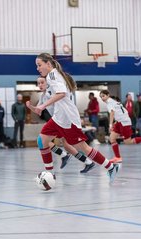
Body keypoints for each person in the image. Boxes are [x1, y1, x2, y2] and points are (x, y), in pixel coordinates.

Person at [33, 53, 120, 182]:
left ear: (48, 64)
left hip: (68, 119)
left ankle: (110, 166)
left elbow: (61, 94)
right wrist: (39, 107)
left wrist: (43, 105)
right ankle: (49, 174)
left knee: (83, 148)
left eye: (39, 65)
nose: (38, 68)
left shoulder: (52, 75)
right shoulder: (54, 75)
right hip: (58, 118)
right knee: (42, 140)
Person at [27, 76, 95, 173]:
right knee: (61, 144)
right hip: (58, 122)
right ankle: (86, 162)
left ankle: (67, 157)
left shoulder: (54, 91)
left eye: (42, 82)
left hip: (64, 120)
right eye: (38, 83)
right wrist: (30, 107)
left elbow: (63, 97)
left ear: (48, 82)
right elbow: (38, 111)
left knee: (46, 141)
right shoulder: (42, 96)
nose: (40, 85)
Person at [99, 90, 141, 163]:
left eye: (103, 96)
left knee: (128, 141)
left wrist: (110, 125)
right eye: (101, 97)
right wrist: (116, 121)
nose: (102, 98)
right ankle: (118, 157)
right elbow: (121, 111)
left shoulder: (109, 102)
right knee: (112, 138)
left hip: (124, 122)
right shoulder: (113, 101)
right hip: (119, 122)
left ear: (108, 95)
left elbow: (112, 113)